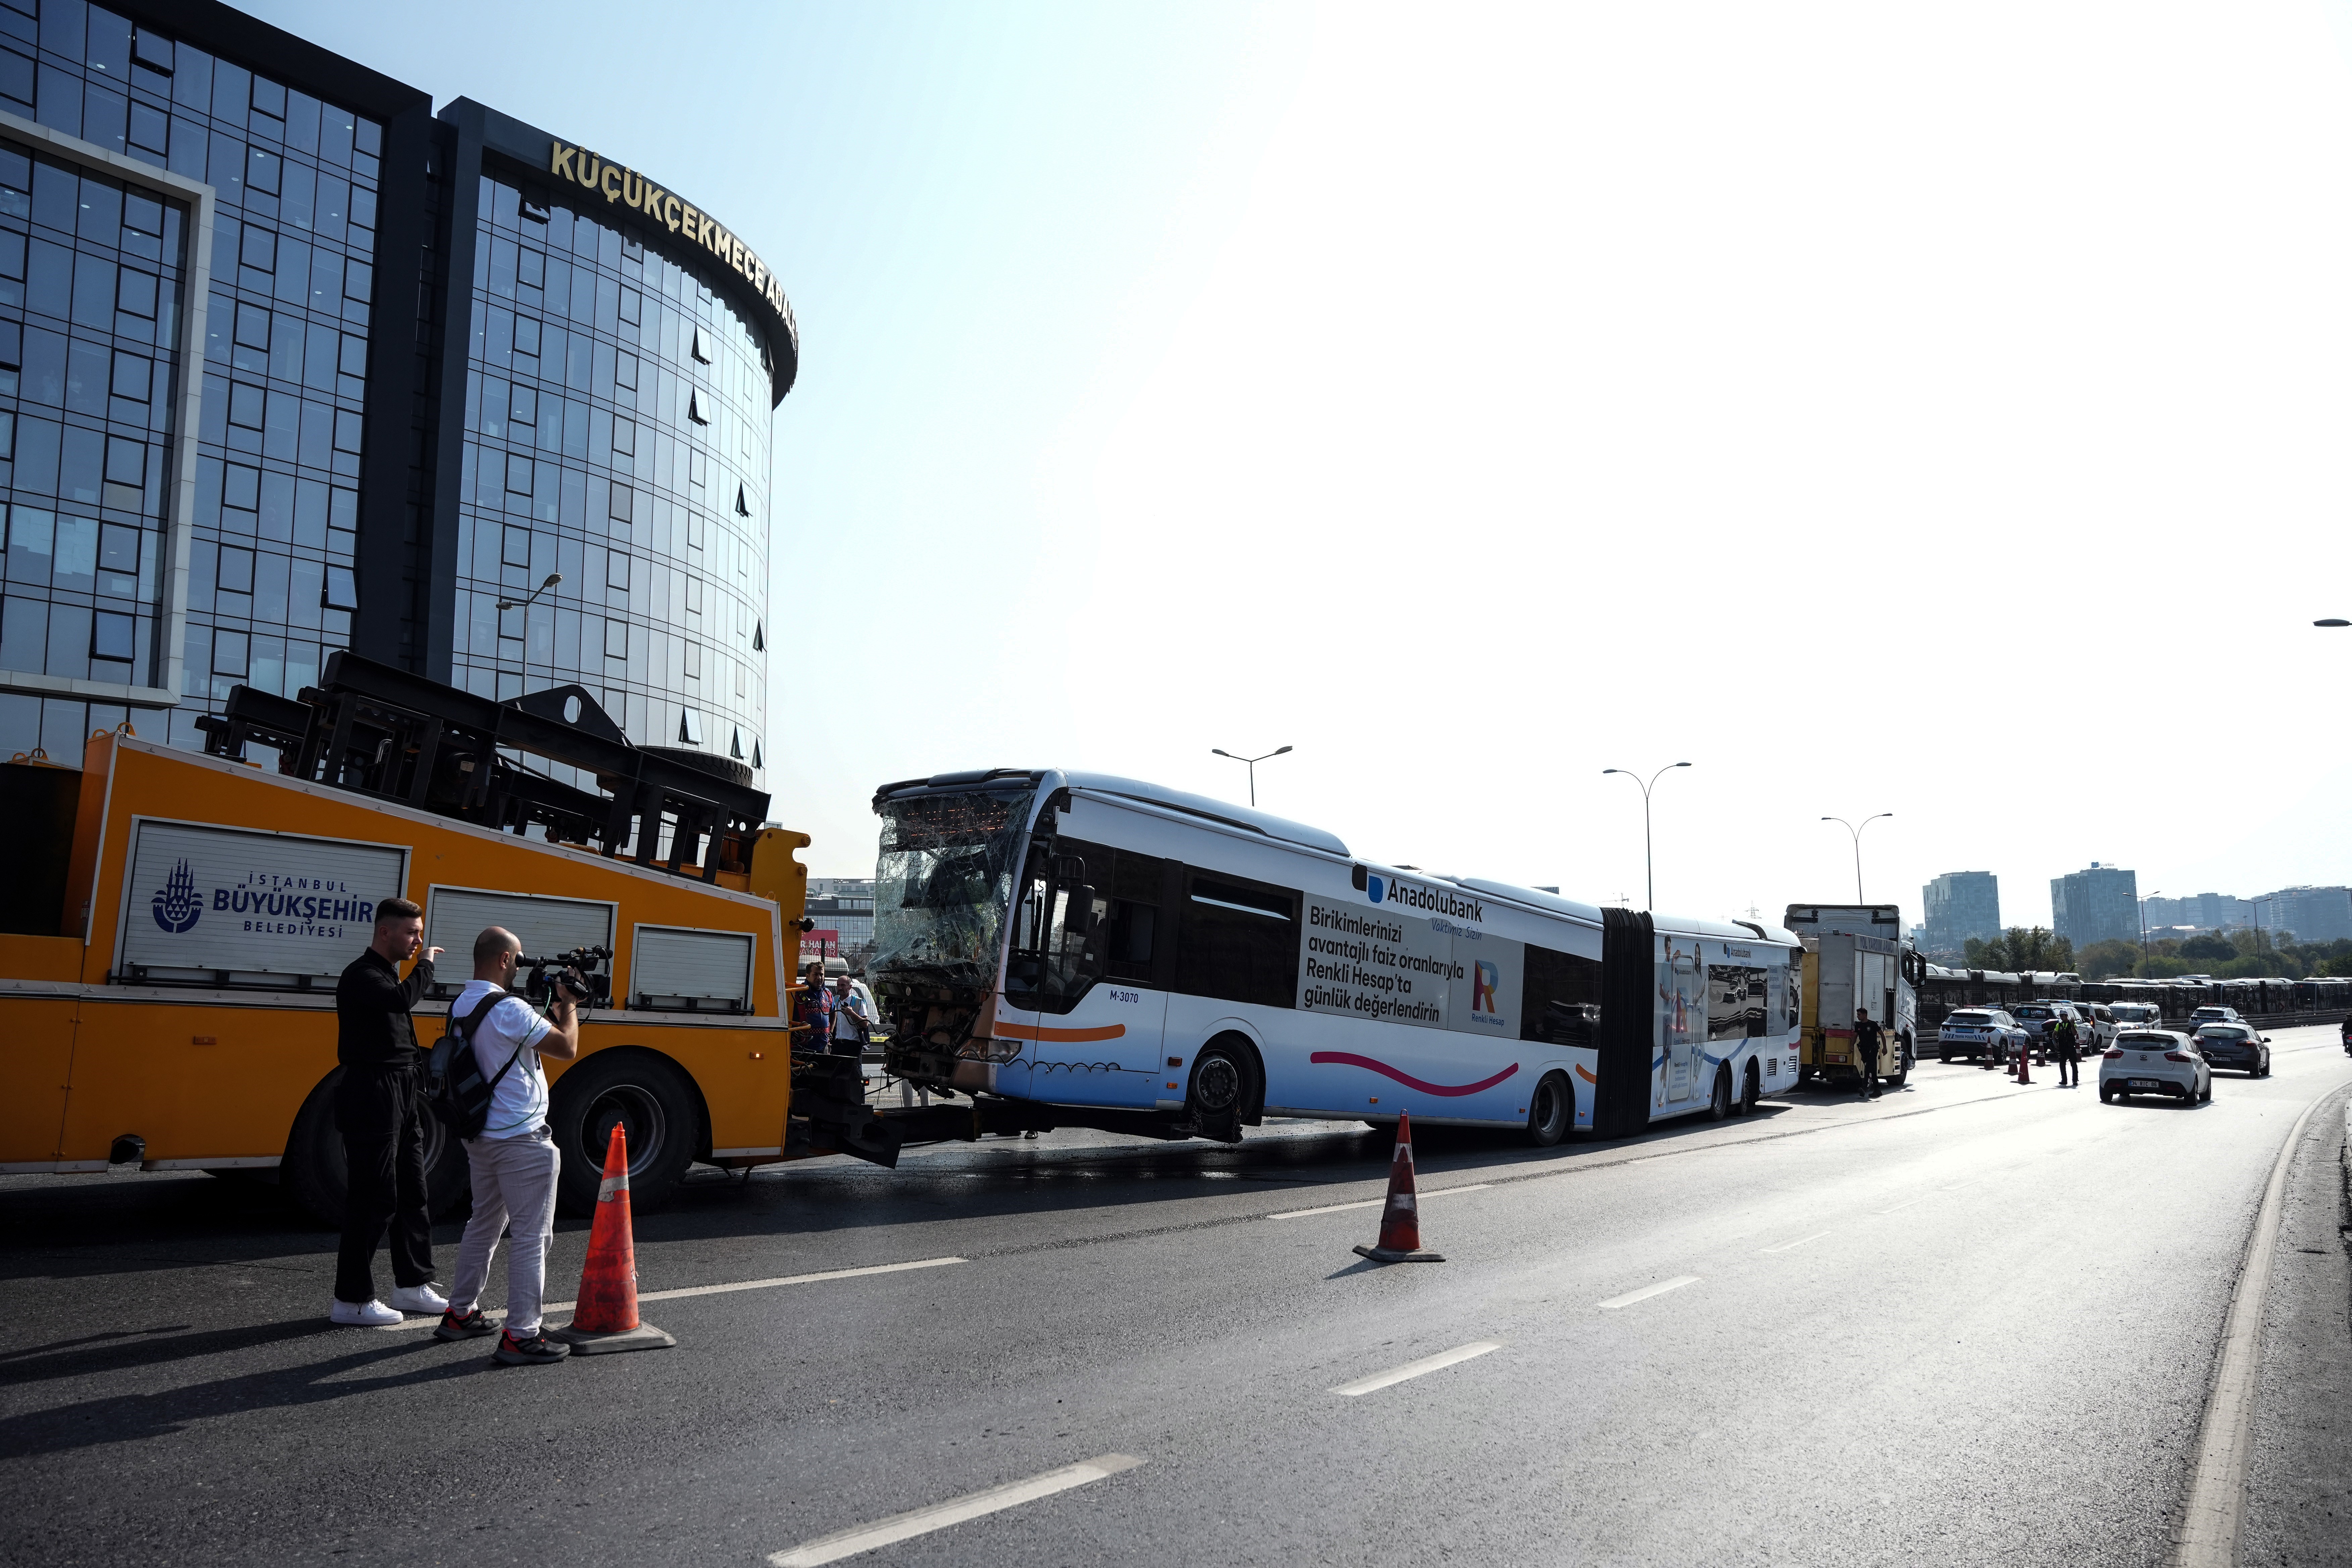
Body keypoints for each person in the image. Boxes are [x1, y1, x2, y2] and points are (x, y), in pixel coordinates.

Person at [434, 927, 582, 1366]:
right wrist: (569, 1007)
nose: (521, 967)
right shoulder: (510, 1008)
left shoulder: (462, 1004)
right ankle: (522, 1335)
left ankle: (459, 1314)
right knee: (531, 1239)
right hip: (521, 1141)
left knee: (483, 1225)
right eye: (517, 959)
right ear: (502, 959)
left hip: (482, 1136)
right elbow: (567, 1047)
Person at [330, 897, 447, 1327]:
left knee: (414, 1190)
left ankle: (413, 1285)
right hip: (372, 1092)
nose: (419, 941)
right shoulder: (362, 976)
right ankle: (352, 1300)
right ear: (385, 932)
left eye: (419, 933)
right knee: (374, 1197)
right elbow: (401, 1000)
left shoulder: (384, 974)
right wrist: (427, 968)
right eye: (412, 932)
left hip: (402, 1091)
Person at [830, 974, 874, 1057]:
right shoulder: (835, 1001)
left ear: (850, 987)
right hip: (837, 1044)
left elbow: (865, 1024)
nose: (840, 988)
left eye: (843, 985)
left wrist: (852, 1013)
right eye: (838, 985)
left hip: (853, 1045)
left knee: (854, 1069)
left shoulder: (859, 1002)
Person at [795, 962, 833, 1053]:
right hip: (802, 1046)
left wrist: (831, 1031)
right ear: (807, 976)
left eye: (821, 975)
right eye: (815, 974)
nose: (819, 978)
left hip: (824, 1047)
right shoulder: (798, 994)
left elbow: (834, 1012)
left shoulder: (828, 994)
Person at [1852, 1007, 1883, 1101]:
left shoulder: (1873, 1024)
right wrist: (1851, 1046)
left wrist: (1885, 1048)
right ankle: (1878, 1090)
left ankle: (1864, 1088)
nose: (1858, 1016)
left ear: (1865, 1015)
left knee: (1869, 1068)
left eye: (1859, 1015)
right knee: (1872, 1070)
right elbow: (1855, 1036)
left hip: (1873, 1050)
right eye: (1858, 1015)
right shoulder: (1858, 1026)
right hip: (1864, 1050)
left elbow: (1882, 1035)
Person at [2051, 1011, 2080, 1088]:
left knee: (2073, 1064)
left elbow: (2075, 1033)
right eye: (2060, 1016)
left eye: (2063, 1016)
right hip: (2062, 1047)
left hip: (2070, 1047)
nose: (2061, 1017)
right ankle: (2064, 1080)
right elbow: (2054, 1034)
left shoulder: (2072, 1024)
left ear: (2066, 1016)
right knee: (2062, 1064)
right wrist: (2055, 1043)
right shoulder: (2059, 1025)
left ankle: (2075, 1080)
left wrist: (2072, 1024)